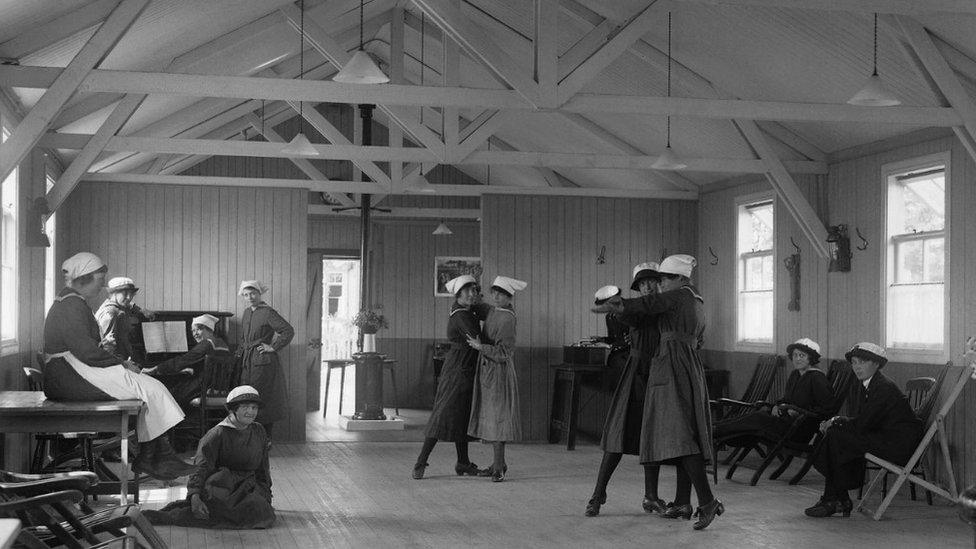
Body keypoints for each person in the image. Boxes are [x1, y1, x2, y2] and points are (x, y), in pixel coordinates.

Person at [592, 254, 723, 531]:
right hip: (686, 366)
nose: (659, 285)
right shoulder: (695, 300)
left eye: (662, 279)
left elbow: (650, 304)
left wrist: (618, 305)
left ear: (679, 279)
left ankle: (707, 501)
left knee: (681, 436)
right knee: (683, 434)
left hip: (673, 366)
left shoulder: (677, 297)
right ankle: (685, 502)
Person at [43, 252, 192, 480]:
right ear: (85, 279)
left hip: (72, 369)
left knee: (151, 387)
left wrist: (121, 364)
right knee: (149, 388)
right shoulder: (71, 305)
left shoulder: (72, 301)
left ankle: (155, 455)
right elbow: (87, 352)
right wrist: (122, 363)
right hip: (69, 374)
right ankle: (154, 457)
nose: (102, 288)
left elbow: (87, 350)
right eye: (100, 282)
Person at [805, 342, 923, 518]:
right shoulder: (869, 384)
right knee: (835, 436)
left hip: (898, 446)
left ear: (876, 364)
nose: (857, 367)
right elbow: (864, 423)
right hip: (885, 438)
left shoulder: (882, 387)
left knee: (835, 435)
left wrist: (836, 420)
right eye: (854, 362)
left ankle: (836, 499)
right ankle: (837, 499)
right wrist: (835, 422)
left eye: (863, 362)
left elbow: (862, 424)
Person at [585, 263, 666, 517]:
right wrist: (614, 306)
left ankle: (651, 496)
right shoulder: (635, 308)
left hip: (659, 375)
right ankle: (598, 494)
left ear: (660, 282)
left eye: (652, 281)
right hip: (636, 377)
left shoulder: (666, 306)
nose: (648, 286)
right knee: (618, 435)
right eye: (642, 284)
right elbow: (624, 312)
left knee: (652, 435)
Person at [145, 385, 274, 529]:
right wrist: (194, 495)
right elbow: (201, 467)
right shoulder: (216, 434)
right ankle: (171, 516)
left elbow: (263, 467)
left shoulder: (259, 431)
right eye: (245, 407)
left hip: (248, 485)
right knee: (224, 509)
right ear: (234, 409)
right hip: (222, 485)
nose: (250, 412)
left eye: (254, 408)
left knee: (262, 511)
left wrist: (266, 492)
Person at [413, 274, 484, 479]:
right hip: (458, 369)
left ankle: (463, 462)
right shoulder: (461, 315)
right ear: (459, 294)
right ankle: (420, 462)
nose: (474, 294)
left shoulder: (466, 311)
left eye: (475, 290)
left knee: (462, 416)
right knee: (442, 415)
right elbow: (477, 339)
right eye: (469, 291)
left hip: (465, 366)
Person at [714, 338, 833, 443]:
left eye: (802, 355)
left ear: (810, 359)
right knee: (759, 415)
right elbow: (786, 399)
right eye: (795, 355)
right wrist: (777, 406)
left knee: (758, 418)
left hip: (799, 429)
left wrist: (799, 412)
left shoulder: (817, 378)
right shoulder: (795, 375)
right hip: (785, 421)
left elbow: (826, 410)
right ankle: (715, 428)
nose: (797, 359)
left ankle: (715, 430)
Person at [466, 276, 527, 482]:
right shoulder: (494, 310)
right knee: (491, 420)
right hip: (488, 371)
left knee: (497, 420)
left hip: (499, 373)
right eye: (494, 292)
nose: (496, 296)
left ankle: (499, 467)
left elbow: (505, 353)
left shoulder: (507, 318)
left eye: (500, 294)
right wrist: (473, 288)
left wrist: (480, 346)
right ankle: (497, 463)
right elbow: (478, 306)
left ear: (509, 297)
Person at [236, 280, 294, 439]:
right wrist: (239, 355)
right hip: (247, 361)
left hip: (263, 362)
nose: (250, 297)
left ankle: (265, 439)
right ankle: (250, 438)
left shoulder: (268, 312)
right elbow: (243, 338)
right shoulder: (247, 312)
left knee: (262, 398)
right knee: (247, 397)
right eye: (246, 295)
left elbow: (288, 331)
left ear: (259, 293)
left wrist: (273, 347)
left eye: (253, 293)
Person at [141, 314, 230, 410]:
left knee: (168, 394)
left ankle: (176, 423)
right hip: (220, 387)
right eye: (193, 331)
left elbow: (183, 360)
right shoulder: (222, 343)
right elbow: (204, 364)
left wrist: (157, 368)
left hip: (205, 387)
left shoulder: (207, 344)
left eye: (198, 330)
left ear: (209, 329)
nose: (195, 334)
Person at [95, 276, 155, 364]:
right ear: (113, 293)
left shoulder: (120, 306)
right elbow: (106, 347)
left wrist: (140, 310)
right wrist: (123, 364)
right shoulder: (110, 313)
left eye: (131, 294)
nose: (129, 297)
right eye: (125, 294)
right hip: (115, 364)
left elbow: (129, 305)